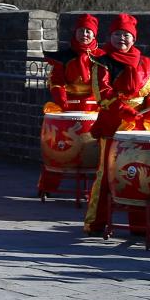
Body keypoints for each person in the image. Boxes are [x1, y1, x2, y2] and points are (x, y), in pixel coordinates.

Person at [83, 13, 150, 236]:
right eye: (117, 34)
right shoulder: (102, 61)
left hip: (140, 125)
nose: (122, 38)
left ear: (134, 38)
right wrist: (122, 109)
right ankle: (95, 223)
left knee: (140, 174)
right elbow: (102, 93)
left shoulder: (147, 63)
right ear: (110, 36)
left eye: (126, 35)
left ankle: (141, 225)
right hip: (113, 123)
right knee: (106, 175)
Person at [38, 13, 103, 197]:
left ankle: (98, 191)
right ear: (75, 33)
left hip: (94, 108)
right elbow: (56, 80)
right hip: (68, 107)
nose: (85, 35)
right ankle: (48, 186)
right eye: (81, 31)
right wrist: (60, 96)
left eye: (88, 31)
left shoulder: (103, 57)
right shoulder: (65, 57)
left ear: (94, 34)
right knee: (59, 149)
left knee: (98, 152)